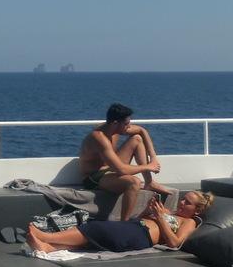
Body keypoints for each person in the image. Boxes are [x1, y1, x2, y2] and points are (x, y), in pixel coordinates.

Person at [26, 190, 214, 254]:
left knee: (96, 228)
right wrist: (150, 210)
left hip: (141, 236)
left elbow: (175, 243)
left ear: (197, 210)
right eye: (183, 199)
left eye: (187, 203)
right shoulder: (170, 212)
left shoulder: (189, 222)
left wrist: (159, 218)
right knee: (95, 235)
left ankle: (47, 237)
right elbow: (145, 219)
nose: (181, 203)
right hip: (133, 226)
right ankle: (48, 248)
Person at [79, 103, 172, 220]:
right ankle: (125, 223)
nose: (129, 127)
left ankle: (149, 182)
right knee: (134, 182)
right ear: (115, 123)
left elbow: (142, 130)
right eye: (126, 124)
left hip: (110, 168)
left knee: (137, 139)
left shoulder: (114, 128)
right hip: (94, 178)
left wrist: (153, 157)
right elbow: (121, 170)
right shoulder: (99, 138)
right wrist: (148, 166)